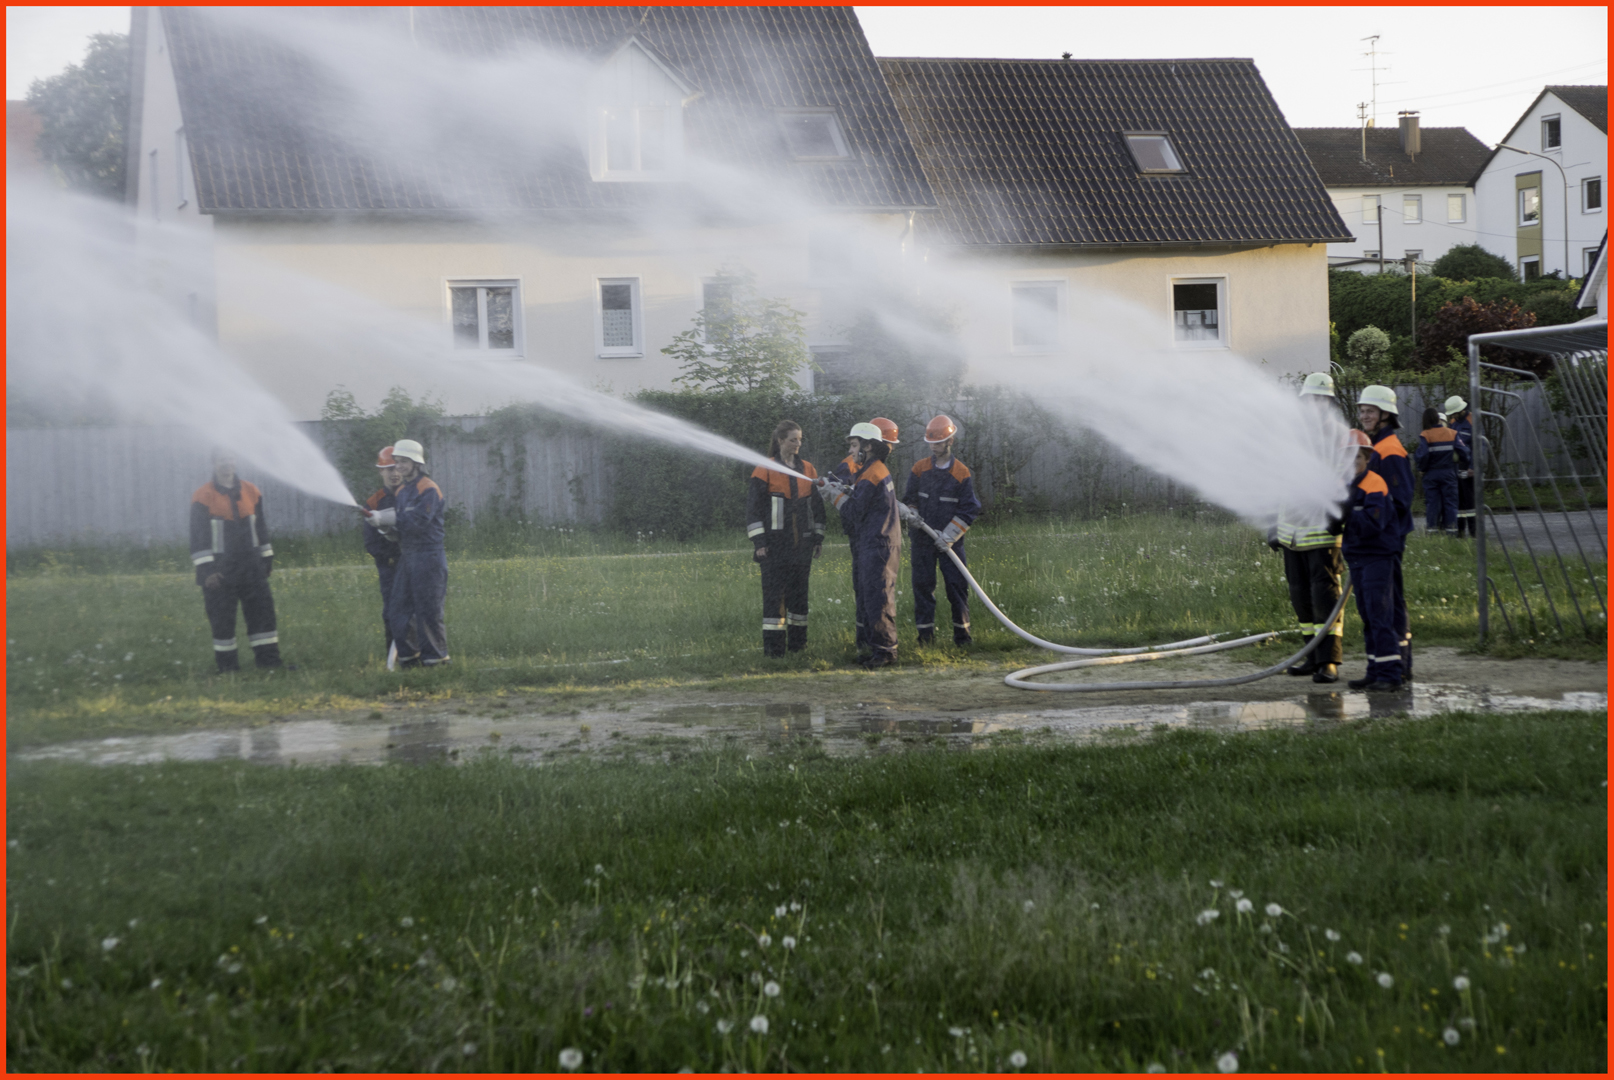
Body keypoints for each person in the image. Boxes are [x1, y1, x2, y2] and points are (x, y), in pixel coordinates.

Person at [1268, 372, 1346, 683]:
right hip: (1291, 536)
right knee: (1300, 598)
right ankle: (1311, 656)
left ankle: (1329, 661)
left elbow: (1347, 479)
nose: (1315, 404)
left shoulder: (1339, 436)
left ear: (1329, 402)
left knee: (1325, 597)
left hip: (1323, 534)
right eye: (1310, 399)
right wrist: (1272, 524)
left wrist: (1339, 516)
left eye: (1320, 399)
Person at [189, 449, 282, 672]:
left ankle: (269, 663)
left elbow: (260, 528)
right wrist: (207, 571)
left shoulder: (251, 491)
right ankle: (227, 668)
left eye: (230, 459)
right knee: (222, 621)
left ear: (235, 461)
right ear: (214, 463)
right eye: (222, 460)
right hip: (220, 571)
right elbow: (198, 537)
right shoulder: (203, 496)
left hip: (251, 567)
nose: (227, 463)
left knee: (263, 616)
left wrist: (266, 559)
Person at [823, 420, 901, 669]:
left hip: (879, 543)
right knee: (871, 597)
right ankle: (876, 648)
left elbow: (855, 512)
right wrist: (841, 489)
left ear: (867, 446)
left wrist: (833, 495)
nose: (850, 450)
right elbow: (863, 501)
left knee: (878, 598)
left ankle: (886, 652)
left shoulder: (872, 473)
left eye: (854, 445)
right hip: (876, 541)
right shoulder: (871, 470)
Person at [746, 421, 826, 656]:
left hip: (802, 546)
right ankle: (774, 650)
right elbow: (753, 511)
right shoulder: (764, 469)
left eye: (800, 439)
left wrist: (818, 538)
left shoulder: (808, 469)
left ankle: (798, 647)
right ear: (780, 440)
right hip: (774, 547)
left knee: (799, 598)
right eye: (793, 439)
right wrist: (759, 543)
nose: (798, 444)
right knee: (774, 598)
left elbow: (817, 508)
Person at [902, 414, 982, 646]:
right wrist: (912, 513)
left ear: (950, 441)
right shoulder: (920, 468)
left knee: (957, 587)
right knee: (923, 587)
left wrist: (949, 536)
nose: (934, 447)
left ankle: (963, 638)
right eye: (931, 442)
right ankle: (925, 639)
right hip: (922, 539)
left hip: (950, 543)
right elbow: (910, 498)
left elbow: (969, 509)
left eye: (938, 442)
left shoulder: (961, 472)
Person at [369, 438, 449, 669]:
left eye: (404, 461)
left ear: (416, 463)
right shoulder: (403, 490)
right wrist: (385, 528)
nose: (399, 466)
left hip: (428, 556)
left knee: (428, 610)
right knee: (398, 609)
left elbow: (419, 521)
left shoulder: (429, 489)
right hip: (408, 555)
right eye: (397, 461)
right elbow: (401, 528)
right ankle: (409, 659)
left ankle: (435, 660)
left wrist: (387, 518)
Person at [1340, 430, 1405, 691]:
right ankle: (1374, 671)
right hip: (1357, 557)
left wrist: (1346, 513)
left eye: (1357, 457)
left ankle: (1390, 675)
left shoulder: (1374, 484)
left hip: (1377, 556)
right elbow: (1337, 525)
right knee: (1367, 616)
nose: (1351, 462)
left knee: (1380, 615)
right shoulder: (1345, 485)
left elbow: (1372, 524)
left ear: (1367, 458)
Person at [1356, 385, 1414, 680]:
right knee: (1382, 604)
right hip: (1375, 540)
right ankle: (1387, 666)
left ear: (1385, 415)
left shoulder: (1389, 450)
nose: (1364, 416)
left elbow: (1401, 500)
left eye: (1370, 411)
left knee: (1387, 603)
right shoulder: (1375, 446)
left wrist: (1372, 520)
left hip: (1386, 540)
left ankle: (1398, 666)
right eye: (1362, 411)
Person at [360, 445, 410, 657]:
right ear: (381, 471)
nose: (394, 473)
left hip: (413, 560)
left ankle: (415, 652)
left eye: (397, 468)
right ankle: (393, 654)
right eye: (389, 469)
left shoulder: (413, 495)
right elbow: (370, 541)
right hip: (389, 566)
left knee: (417, 608)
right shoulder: (373, 502)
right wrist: (389, 557)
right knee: (391, 609)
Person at [1414, 406, 1469, 537]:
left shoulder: (1425, 434)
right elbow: (1464, 452)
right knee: (1450, 503)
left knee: (1432, 503)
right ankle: (1451, 533)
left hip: (1431, 474)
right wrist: (1461, 462)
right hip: (1448, 473)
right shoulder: (1452, 433)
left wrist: (1421, 469)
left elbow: (1422, 455)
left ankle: (1432, 533)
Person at [1445, 395, 1477, 538]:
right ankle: (1460, 531)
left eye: (1454, 413)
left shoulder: (1472, 421)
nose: (1452, 416)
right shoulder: (1453, 422)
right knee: (1457, 499)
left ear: (1460, 410)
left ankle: (1474, 531)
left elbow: (1478, 446)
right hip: (1456, 466)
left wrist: (1473, 467)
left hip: (1468, 465)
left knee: (1469, 499)